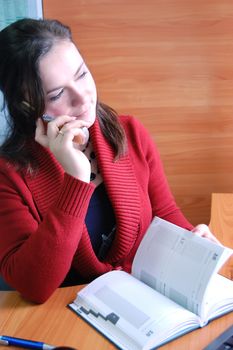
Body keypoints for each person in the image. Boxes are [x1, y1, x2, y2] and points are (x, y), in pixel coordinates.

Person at [0, 18, 218, 303]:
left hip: (143, 303)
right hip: (65, 320)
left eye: (81, 75)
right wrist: (76, 181)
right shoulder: (8, 174)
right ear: (25, 104)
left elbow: (163, 212)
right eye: (57, 94)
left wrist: (192, 239)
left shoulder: (129, 133)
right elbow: (33, 286)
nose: (83, 99)